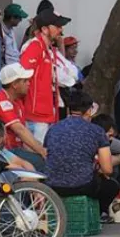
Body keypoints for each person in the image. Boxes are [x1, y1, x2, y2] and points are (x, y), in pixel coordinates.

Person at [45, 89, 120, 223]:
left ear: (69, 110)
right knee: (111, 186)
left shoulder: (53, 129)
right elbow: (108, 169)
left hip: (53, 186)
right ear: (88, 111)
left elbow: (48, 156)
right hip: (83, 185)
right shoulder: (96, 131)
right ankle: (99, 214)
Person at [0, 63, 48, 171]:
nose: (29, 83)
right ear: (14, 84)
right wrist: (41, 150)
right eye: (25, 81)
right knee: (40, 161)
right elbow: (19, 129)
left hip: (13, 149)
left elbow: (23, 134)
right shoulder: (0, 99)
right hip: (1, 150)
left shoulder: (17, 101)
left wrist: (39, 149)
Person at [20, 8, 70, 142]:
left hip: (47, 113)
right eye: (58, 26)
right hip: (36, 115)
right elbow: (22, 78)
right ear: (44, 29)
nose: (61, 30)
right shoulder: (34, 47)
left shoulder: (48, 49)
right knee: (38, 156)